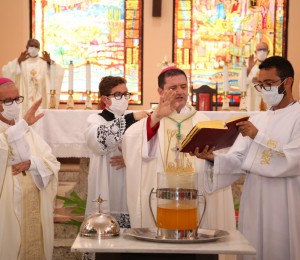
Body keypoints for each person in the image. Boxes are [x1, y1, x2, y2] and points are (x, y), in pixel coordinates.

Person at [191, 56, 300, 260]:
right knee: (253, 248)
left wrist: (257, 136)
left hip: (285, 201)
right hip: (254, 199)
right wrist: (213, 158)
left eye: (269, 83)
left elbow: (293, 160)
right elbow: (239, 159)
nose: (265, 89)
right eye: (261, 85)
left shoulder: (298, 117)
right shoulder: (257, 119)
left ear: (288, 82)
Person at [122, 66, 236, 232]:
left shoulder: (202, 121)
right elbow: (132, 141)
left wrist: (211, 158)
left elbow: (218, 159)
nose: (180, 92)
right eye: (173, 88)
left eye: (183, 86)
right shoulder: (152, 119)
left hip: (197, 198)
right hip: (160, 199)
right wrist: (156, 118)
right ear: (160, 91)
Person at [0, 78, 60, 260]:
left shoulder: (26, 130)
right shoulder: (22, 127)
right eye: (8, 101)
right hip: (8, 207)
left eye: (17, 99)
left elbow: (52, 162)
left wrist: (32, 164)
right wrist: (23, 125)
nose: (15, 105)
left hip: (35, 201)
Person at [84, 76, 149, 227]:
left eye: (126, 94)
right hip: (107, 177)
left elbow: (147, 149)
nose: (124, 98)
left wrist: (130, 159)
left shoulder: (137, 121)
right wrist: (130, 118)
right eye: (118, 95)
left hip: (130, 179)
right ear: (106, 99)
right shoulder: (95, 120)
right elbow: (99, 140)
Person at [2, 39, 64, 115]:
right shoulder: (22, 62)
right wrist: (18, 61)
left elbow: (58, 72)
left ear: (39, 49)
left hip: (41, 100)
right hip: (25, 102)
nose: (33, 48)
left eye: (36, 46)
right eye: (31, 46)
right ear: (26, 47)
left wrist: (49, 62)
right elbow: (6, 70)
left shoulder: (44, 63)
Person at [239, 42, 269, 111]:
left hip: (266, 100)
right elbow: (241, 84)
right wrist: (249, 68)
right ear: (255, 52)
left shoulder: (272, 66)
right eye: (259, 49)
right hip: (251, 100)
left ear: (268, 52)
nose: (262, 51)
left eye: (264, 49)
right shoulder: (247, 65)